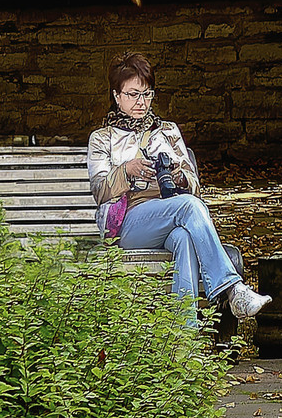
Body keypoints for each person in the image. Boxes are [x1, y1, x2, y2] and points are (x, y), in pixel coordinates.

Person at [87, 51, 270, 324]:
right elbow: (100, 190)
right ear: (116, 96)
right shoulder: (102, 138)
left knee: (184, 237)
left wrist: (179, 176)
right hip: (128, 224)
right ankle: (233, 289)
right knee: (189, 207)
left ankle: (183, 337)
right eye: (133, 94)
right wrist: (128, 170)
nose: (141, 102)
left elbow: (194, 184)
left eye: (147, 94)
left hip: (171, 212)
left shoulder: (168, 131)